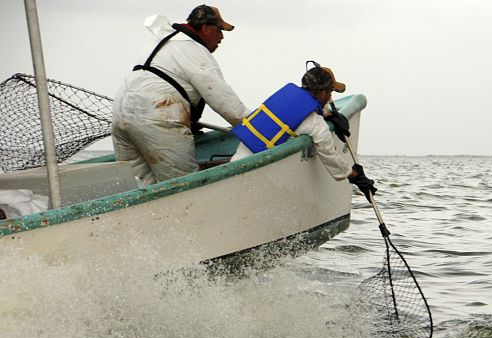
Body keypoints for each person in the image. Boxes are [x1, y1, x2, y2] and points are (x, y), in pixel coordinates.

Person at [111, 5, 249, 185]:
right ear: (205, 29)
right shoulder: (194, 50)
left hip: (120, 116)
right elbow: (223, 100)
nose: (222, 38)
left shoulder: (162, 41)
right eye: (219, 31)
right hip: (158, 117)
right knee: (184, 186)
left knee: (137, 186)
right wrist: (257, 127)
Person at [230, 63, 376, 200]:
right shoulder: (316, 124)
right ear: (322, 92)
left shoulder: (285, 100)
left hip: (236, 161)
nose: (331, 97)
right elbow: (329, 154)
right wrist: (353, 175)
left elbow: (299, 117)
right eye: (330, 92)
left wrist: (329, 115)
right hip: (252, 172)